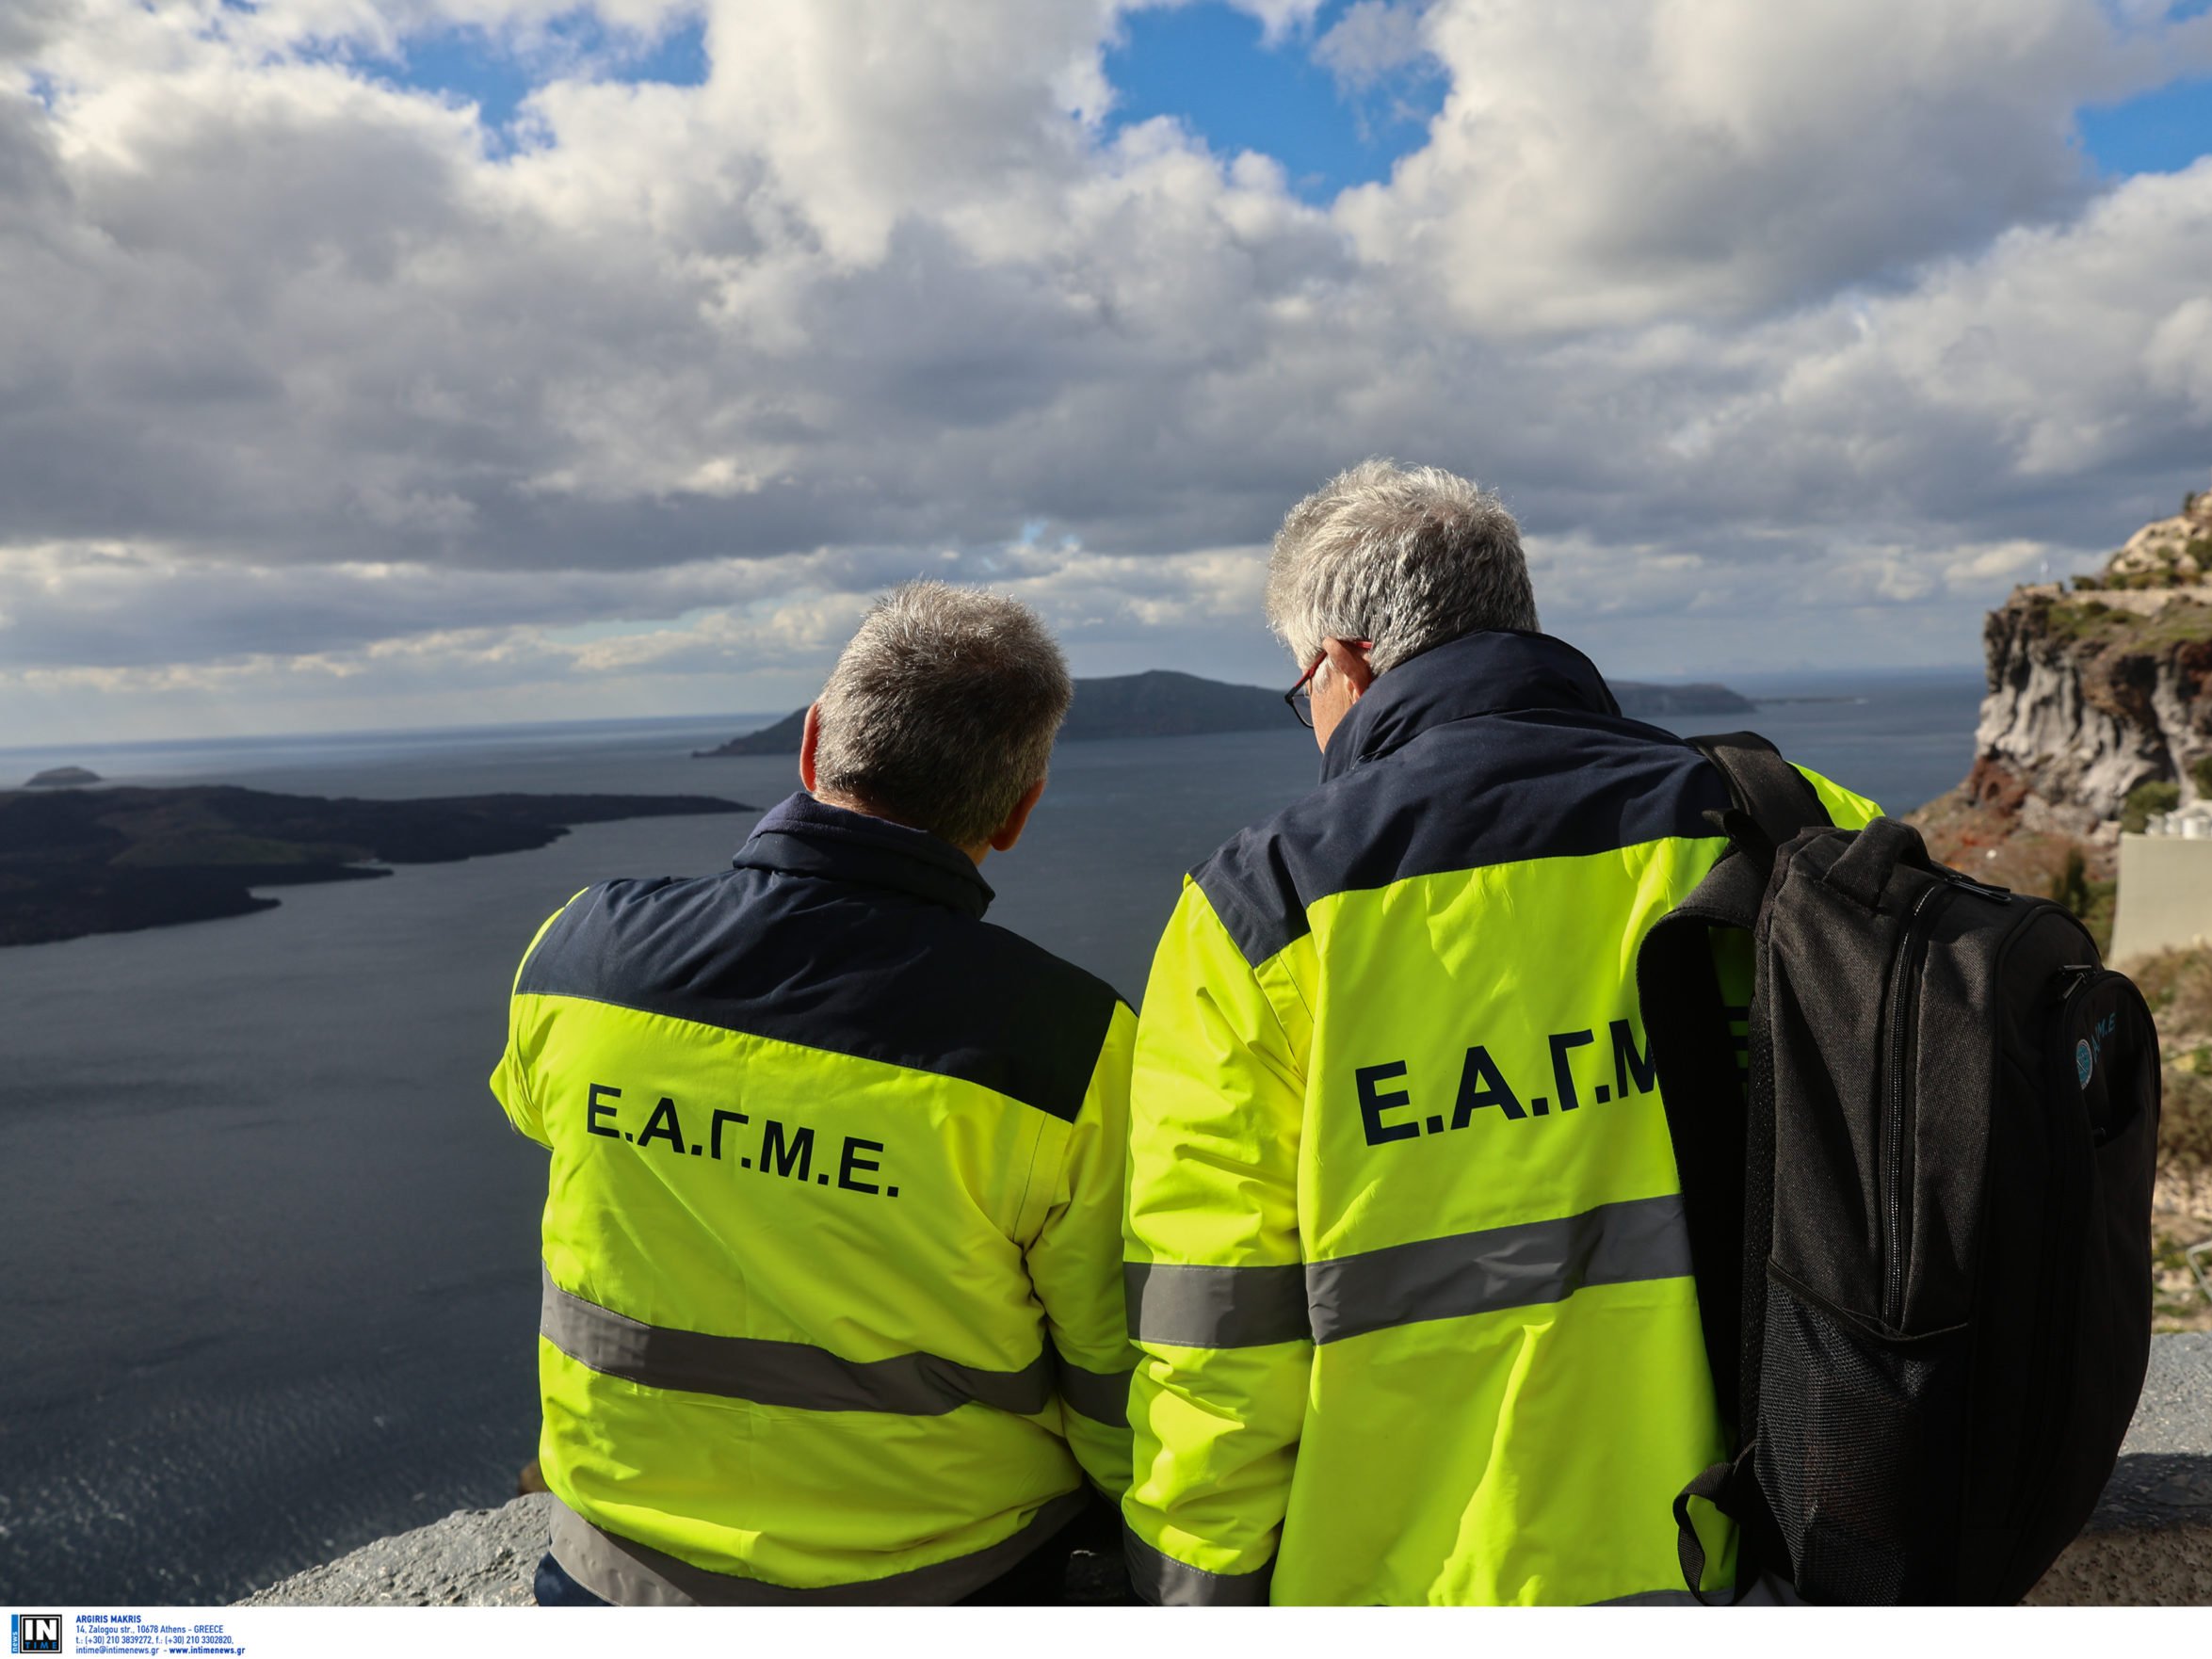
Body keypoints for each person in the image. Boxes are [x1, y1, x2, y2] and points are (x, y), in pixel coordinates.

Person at [1119, 460, 1881, 1605]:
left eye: (1302, 689)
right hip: (1786, 1552)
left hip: (1416, 1582)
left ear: (1345, 661)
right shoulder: (1800, 824)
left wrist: (1199, 1595)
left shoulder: (1262, 909)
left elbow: (1215, 1333)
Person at [491, 581, 1136, 1605]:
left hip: (612, 1576)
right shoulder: (1069, 1046)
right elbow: (1115, 1367)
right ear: (1017, 812)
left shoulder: (580, 950)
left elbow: (537, 1108)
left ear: (812, 744)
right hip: (950, 1582)